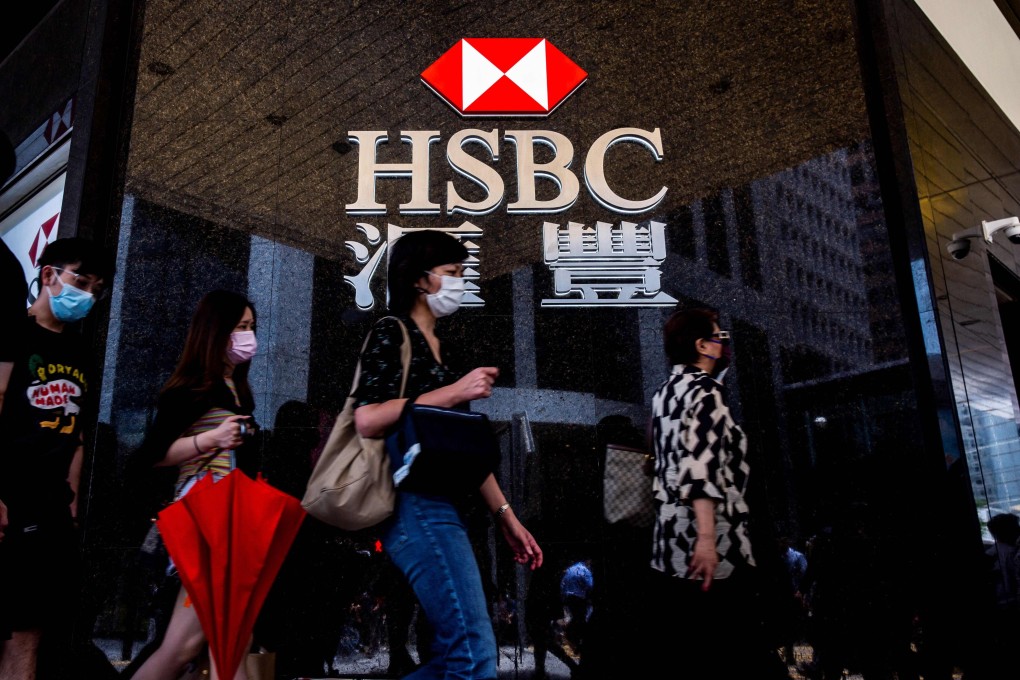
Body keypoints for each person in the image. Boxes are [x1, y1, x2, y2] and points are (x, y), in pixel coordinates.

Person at [352, 229, 543, 679]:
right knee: (473, 657)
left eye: (463, 273)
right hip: (413, 505)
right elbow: (367, 417)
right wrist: (451, 392)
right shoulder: (391, 331)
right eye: (452, 272)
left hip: (445, 508)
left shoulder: (446, 350)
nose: (460, 282)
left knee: (463, 656)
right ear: (420, 280)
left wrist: (506, 516)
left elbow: (463, 450)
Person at [0, 237, 115, 679]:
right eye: (80, 281)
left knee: (33, 634)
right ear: (48, 275)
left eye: (96, 288)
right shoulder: (13, 332)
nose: (86, 295)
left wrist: (69, 506)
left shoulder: (81, 352)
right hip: (11, 499)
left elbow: (79, 434)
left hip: (50, 510)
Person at [645, 307, 781, 678]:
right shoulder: (707, 392)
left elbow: (665, 465)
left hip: (669, 545)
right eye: (719, 336)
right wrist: (706, 539)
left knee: (696, 650)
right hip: (716, 546)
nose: (723, 342)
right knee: (741, 647)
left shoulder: (663, 394)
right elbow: (700, 468)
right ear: (702, 345)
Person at [129, 290, 258, 680]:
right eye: (240, 328)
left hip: (230, 519)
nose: (248, 336)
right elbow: (149, 455)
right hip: (205, 518)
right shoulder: (193, 388)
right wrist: (210, 439)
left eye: (251, 327)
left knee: (232, 640)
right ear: (215, 332)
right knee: (186, 645)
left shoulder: (237, 388)